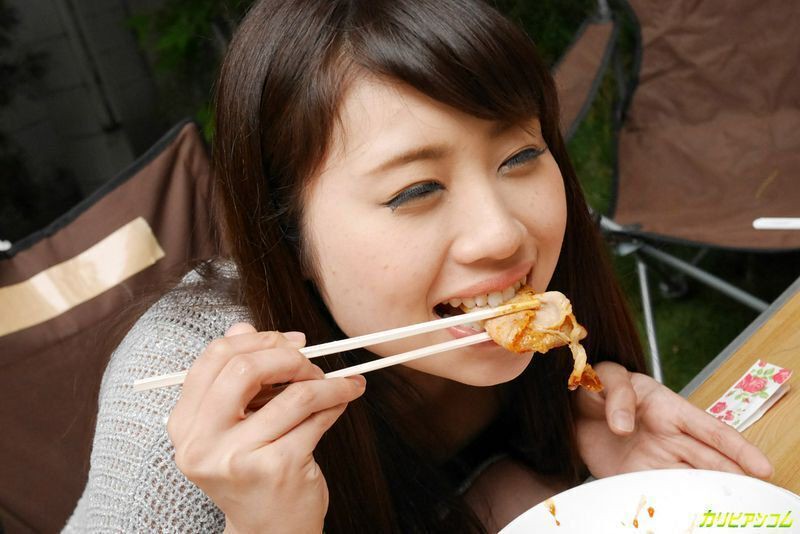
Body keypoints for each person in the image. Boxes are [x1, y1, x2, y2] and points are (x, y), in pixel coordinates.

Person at [64, 0, 773, 532]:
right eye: (414, 191)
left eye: (521, 156)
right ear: (289, 235)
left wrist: (576, 448)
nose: (502, 234)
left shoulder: (543, 324)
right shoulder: (184, 401)